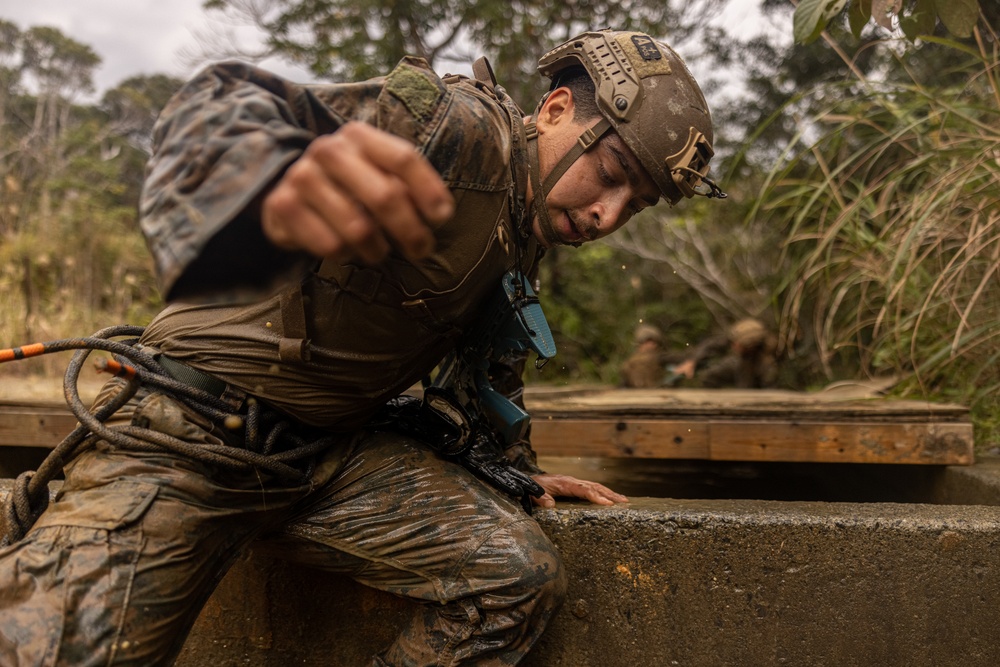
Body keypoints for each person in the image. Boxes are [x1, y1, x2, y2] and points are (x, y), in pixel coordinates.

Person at [0, 29, 722, 666]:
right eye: (615, 176)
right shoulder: (456, 128)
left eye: (638, 204)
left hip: (324, 460)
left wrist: (514, 469)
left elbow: (488, 372)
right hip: (189, 439)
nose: (609, 214)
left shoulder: (522, 228)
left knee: (518, 573)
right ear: (558, 111)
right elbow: (222, 114)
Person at [674, 318, 778, 389]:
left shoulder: (766, 363)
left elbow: (770, 388)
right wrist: (693, 361)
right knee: (710, 375)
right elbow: (711, 346)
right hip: (738, 362)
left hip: (752, 372)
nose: (733, 346)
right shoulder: (738, 336)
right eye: (733, 342)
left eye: (739, 345)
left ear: (751, 346)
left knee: (745, 388)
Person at [620, 323, 685, 388]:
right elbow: (625, 383)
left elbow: (678, 370)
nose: (650, 345)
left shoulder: (661, 357)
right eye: (646, 342)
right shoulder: (630, 363)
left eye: (652, 342)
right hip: (637, 394)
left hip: (656, 393)